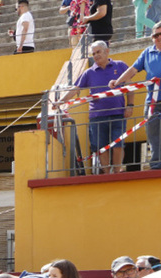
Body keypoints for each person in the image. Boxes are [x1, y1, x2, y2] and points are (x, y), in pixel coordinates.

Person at [55, 41, 131, 173]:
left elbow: (130, 88)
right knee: (100, 147)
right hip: (97, 116)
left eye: (98, 52)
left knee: (118, 144)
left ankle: (117, 172)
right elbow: (75, 89)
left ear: (106, 51)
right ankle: (107, 174)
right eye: (93, 53)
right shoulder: (88, 73)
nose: (96, 56)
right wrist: (60, 101)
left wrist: (130, 105)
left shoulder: (120, 66)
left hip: (118, 113)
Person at [109, 22, 161, 170]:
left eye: (160, 34)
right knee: (153, 135)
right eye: (155, 35)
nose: (158, 38)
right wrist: (117, 82)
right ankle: (157, 166)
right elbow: (133, 69)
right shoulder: (147, 53)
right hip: (153, 101)